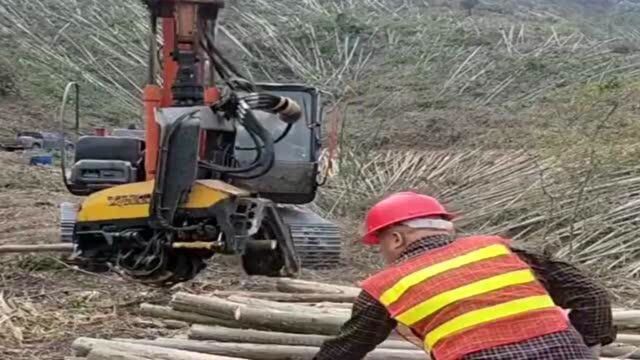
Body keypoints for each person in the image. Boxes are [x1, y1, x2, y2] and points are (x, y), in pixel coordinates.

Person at [313, 191, 616, 360]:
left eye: (380, 244)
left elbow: (344, 350)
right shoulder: (501, 250)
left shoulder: (386, 286)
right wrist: (587, 348)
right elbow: (589, 293)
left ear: (395, 239)